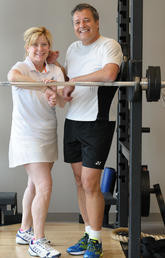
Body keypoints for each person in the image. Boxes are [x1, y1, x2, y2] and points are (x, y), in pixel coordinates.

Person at [46, 3, 123, 258]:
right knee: (80, 182)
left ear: (97, 22)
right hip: (73, 121)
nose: (82, 26)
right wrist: (60, 67)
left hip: (97, 122)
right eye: (77, 22)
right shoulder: (73, 48)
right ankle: (89, 233)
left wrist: (72, 81)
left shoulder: (109, 45)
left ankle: (97, 241)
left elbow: (110, 74)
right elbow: (72, 75)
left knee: (91, 184)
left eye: (86, 20)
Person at [7, 26, 64, 258]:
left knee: (33, 184)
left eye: (44, 44)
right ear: (27, 47)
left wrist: (55, 96)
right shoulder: (21, 67)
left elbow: (60, 101)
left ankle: (24, 231)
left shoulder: (55, 70)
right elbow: (12, 78)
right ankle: (37, 241)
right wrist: (44, 85)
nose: (39, 49)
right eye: (35, 44)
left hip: (48, 133)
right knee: (45, 185)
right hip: (26, 135)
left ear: (49, 47)